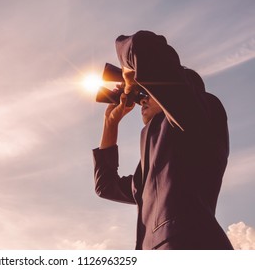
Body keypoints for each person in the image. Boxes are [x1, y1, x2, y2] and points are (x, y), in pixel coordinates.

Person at [93, 30, 233, 250]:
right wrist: (110, 124)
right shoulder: (151, 167)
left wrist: (130, 72)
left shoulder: (200, 111)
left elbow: (143, 45)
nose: (143, 100)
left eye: (147, 92)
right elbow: (106, 186)